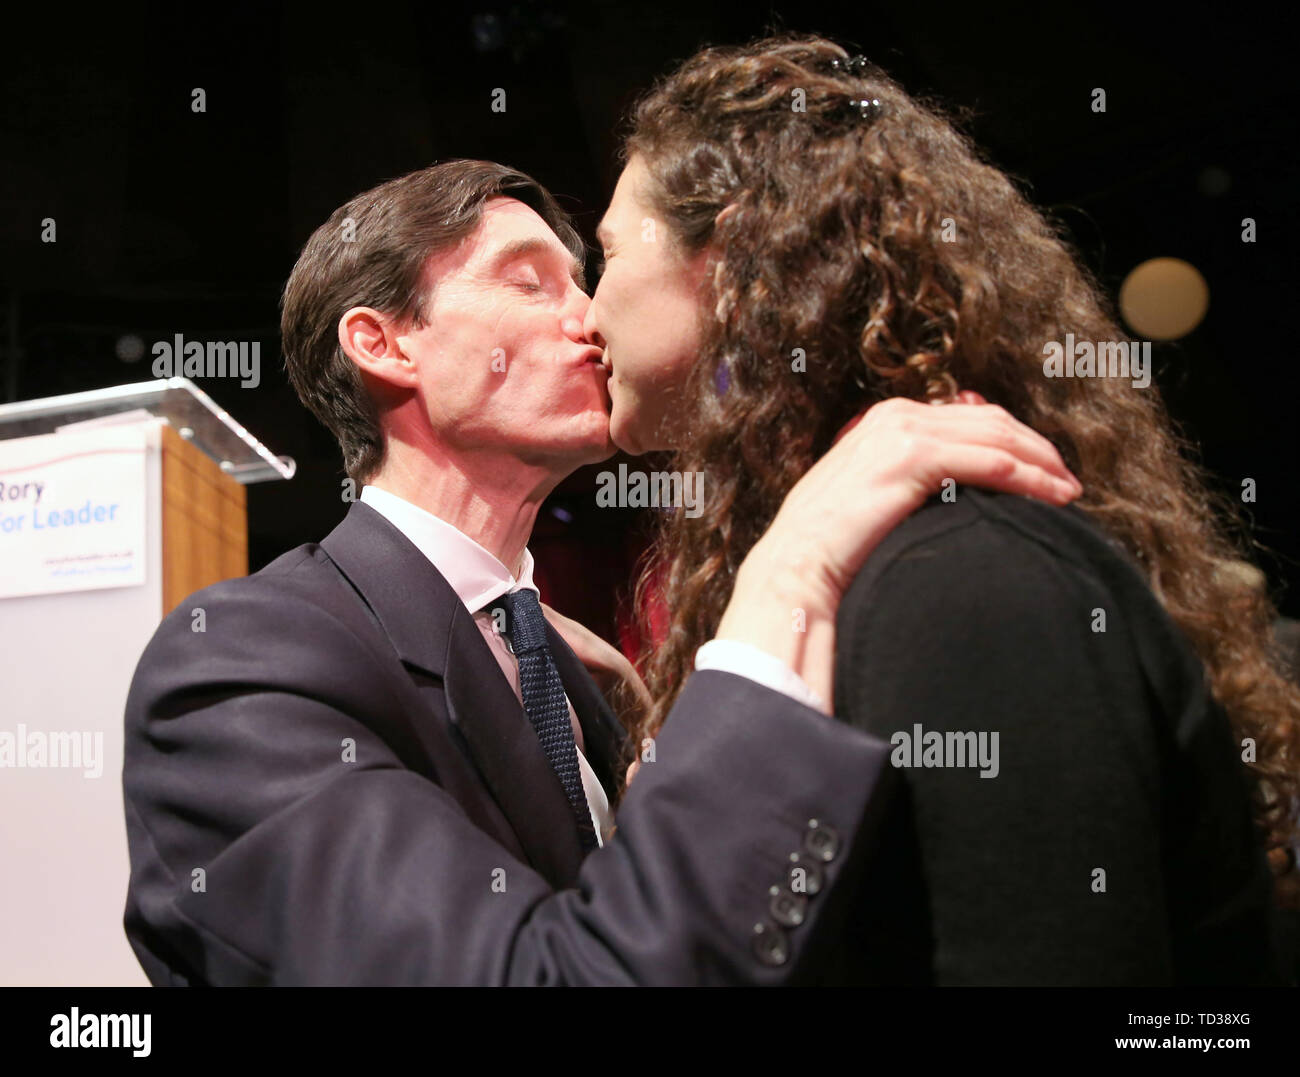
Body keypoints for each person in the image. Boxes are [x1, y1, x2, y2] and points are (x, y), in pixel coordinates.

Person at [121, 159, 1079, 986]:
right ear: (385, 343)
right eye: (531, 283)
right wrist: (790, 572)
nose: (593, 319)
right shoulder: (240, 663)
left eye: (588, 280)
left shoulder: (571, 675)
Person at [582, 34, 1299, 984]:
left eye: (605, 255)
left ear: (735, 252)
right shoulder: (884, 565)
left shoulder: (959, 577)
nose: (585, 316)